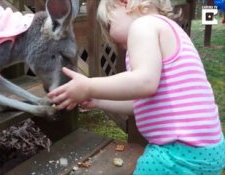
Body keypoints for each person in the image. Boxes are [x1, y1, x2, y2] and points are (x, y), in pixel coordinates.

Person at [48, 0, 225, 174]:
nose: (109, 36)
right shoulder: (169, 31)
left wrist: (88, 86)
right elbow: (140, 104)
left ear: (125, 3)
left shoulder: (144, 25)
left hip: (179, 152)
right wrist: (98, 101)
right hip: (207, 149)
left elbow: (144, 82)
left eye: (109, 24)